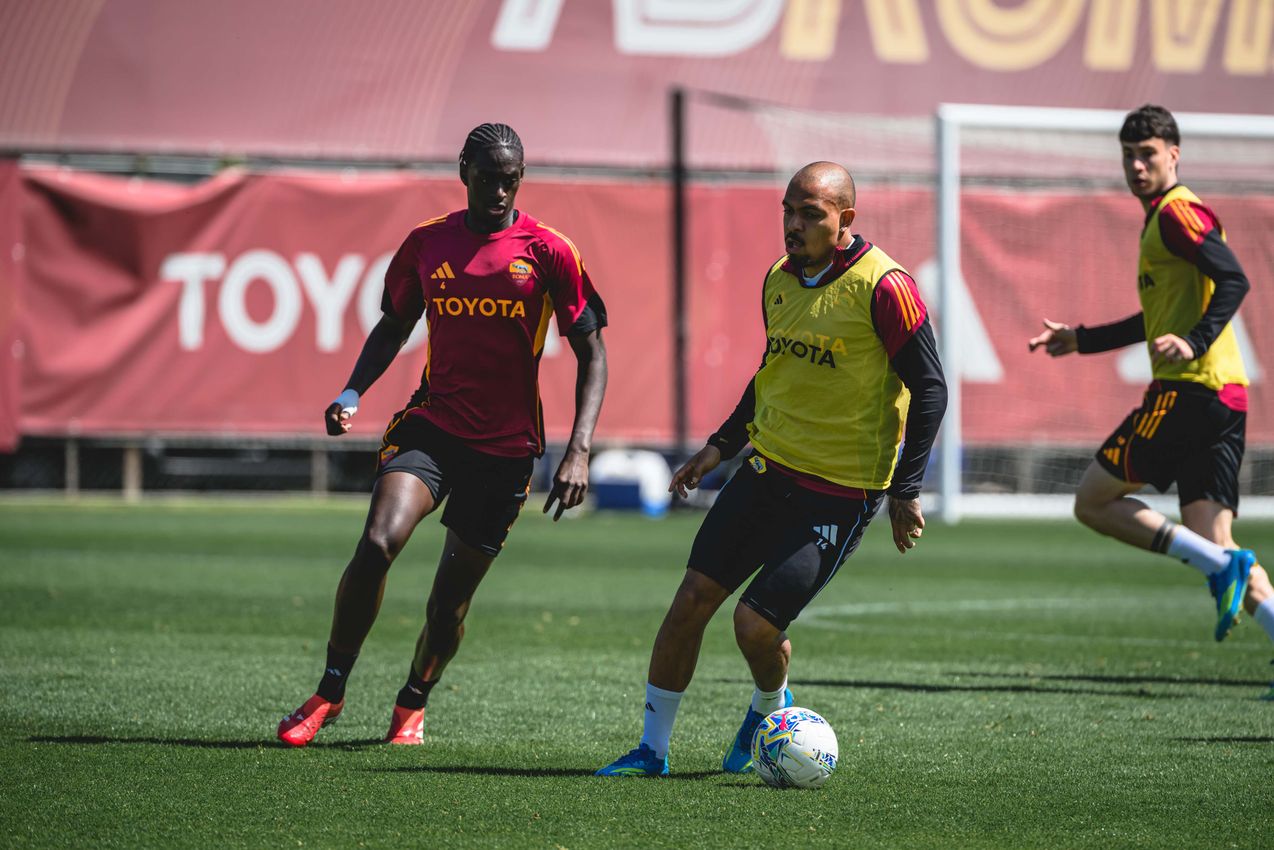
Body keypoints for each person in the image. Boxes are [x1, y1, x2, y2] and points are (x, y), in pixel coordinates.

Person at [597, 162, 947, 776]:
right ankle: (651, 752)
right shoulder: (779, 280)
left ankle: (767, 707)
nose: (794, 224)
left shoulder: (884, 287)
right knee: (690, 601)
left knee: (755, 626)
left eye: (811, 213)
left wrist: (904, 490)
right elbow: (771, 375)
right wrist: (719, 447)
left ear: (846, 221)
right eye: (788, 210)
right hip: (767, 470)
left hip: (840, 493)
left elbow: (931, 389)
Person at [277, 123, 608, 746]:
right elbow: (394, 323)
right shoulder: (427, 244)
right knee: (377, 543)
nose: (500, 191)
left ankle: (412, 701)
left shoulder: (549, 250)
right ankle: (330, 690)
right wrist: (352, 391)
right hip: (434, 428)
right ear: (464, 171)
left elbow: (593, 351)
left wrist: (579, 450)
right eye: (488, 177)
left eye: (511, 179)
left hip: (507, 450)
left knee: (448, 604)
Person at [1028, 105, 1273, 688]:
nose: (1137, 166)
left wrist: (1193, 341)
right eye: (1129, 157)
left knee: (1092, 500)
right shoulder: (1165, 219)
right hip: (1226, 396)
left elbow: (1235, 278)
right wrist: (1081, 340)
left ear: (1174, 156)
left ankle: (1219, 567)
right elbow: (1155, 316)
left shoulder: (1176, 214)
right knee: (1218, 537)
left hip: (1187, 392)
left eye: (1149, 155)